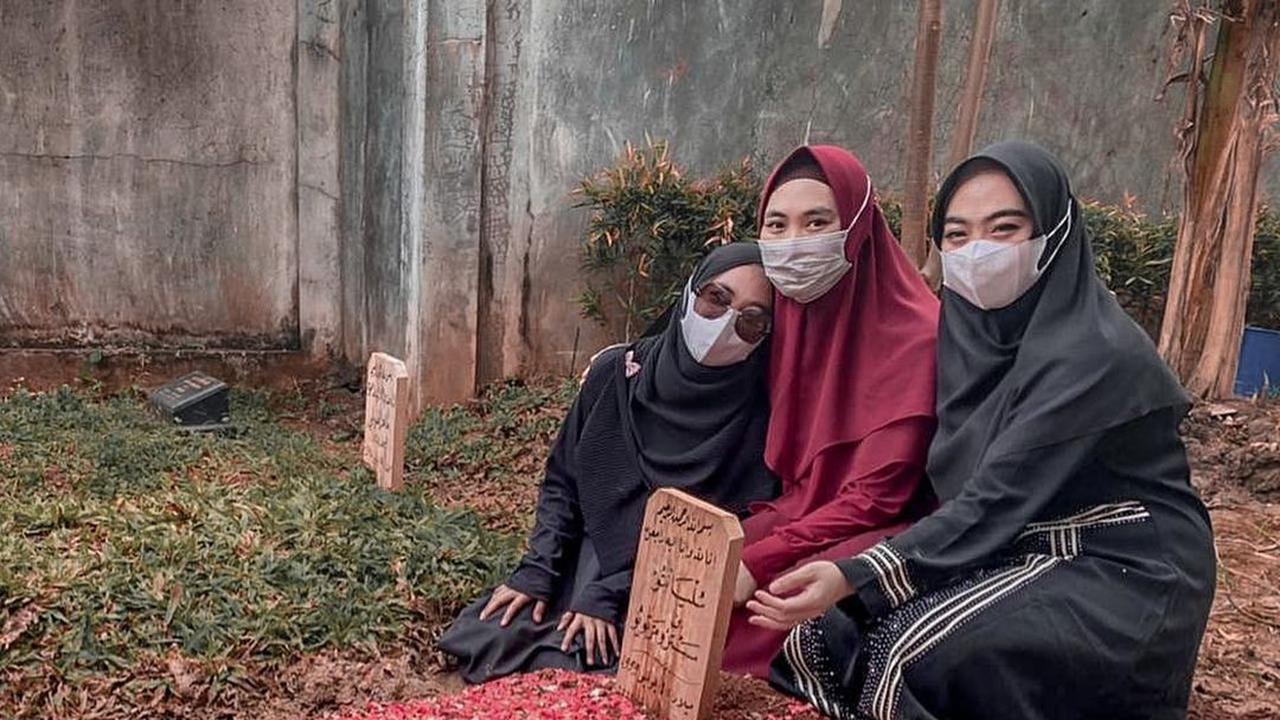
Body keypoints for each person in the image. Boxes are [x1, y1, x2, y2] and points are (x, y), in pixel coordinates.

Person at [751, 141, 1216, 720]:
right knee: (826, 638)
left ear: (1055, 232)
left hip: (1118, 563)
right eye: (958, 235)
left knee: (908, 660)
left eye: (1004, 230)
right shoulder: (966, 337)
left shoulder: (1094, 353)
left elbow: (998, 494)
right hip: (1012, 546)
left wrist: (858, 571)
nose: (978, 253)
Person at [439, 243, 779, 683]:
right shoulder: (617, 374)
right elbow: (563, 479)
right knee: (494, 632)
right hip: (590, 553)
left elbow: (719, 537)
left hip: (670, 584)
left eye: (752, 320)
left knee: (600, 665)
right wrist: (537, 570)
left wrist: (613, 593)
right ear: (691, 292)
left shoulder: (759, 417)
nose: (726, 324)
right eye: (717, 298)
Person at [715, 146, 941, 677]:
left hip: (886, 525)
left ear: (858, 227)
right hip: (799, 508)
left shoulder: (917, 336)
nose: (795, 244)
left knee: (775, 612)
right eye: (777, 224)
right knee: (690, 574)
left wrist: (761, 558)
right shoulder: (790, 316)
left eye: (817, 222)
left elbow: (879, 496)